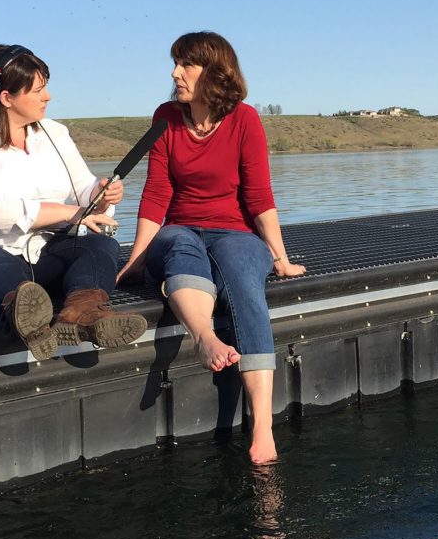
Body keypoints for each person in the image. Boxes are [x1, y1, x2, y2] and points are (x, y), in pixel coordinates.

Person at [117, 31, 305, 464]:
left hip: (235, 232)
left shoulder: (244, 119)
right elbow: (156, 194)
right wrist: (137, 257)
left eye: (185, 64)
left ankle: (262, 427)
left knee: (242, 275)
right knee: (180, 244)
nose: (174, 72)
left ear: (214, 72)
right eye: (175, 63)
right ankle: (205, 338)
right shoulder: (165, 117)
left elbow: (259, 197)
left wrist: (280, 257)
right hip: (180, 227)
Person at [0, 44, 148, 361]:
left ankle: (81, 313)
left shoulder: (55, 133)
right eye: (37, 90)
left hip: (43, 254)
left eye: (45, 87)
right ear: (7, 98)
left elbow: (83, 185)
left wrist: (101, 193)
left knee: (100, 246)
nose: (47, 96)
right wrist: (74, 214)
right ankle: (25, 318)